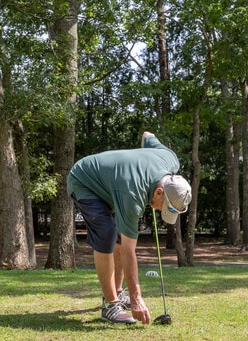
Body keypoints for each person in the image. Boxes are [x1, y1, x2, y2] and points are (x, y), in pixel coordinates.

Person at [67, 131, 192, 324]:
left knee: (119, 235)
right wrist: (137, 299)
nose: (160, 210)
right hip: (84, 181)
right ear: (159, 192)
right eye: (163, 206)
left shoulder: (170, 160)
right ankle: (110, 306)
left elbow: (147, 135)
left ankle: (117, 291)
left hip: (114, 185)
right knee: (107, 234)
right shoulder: (133, 195)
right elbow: (128, 251)